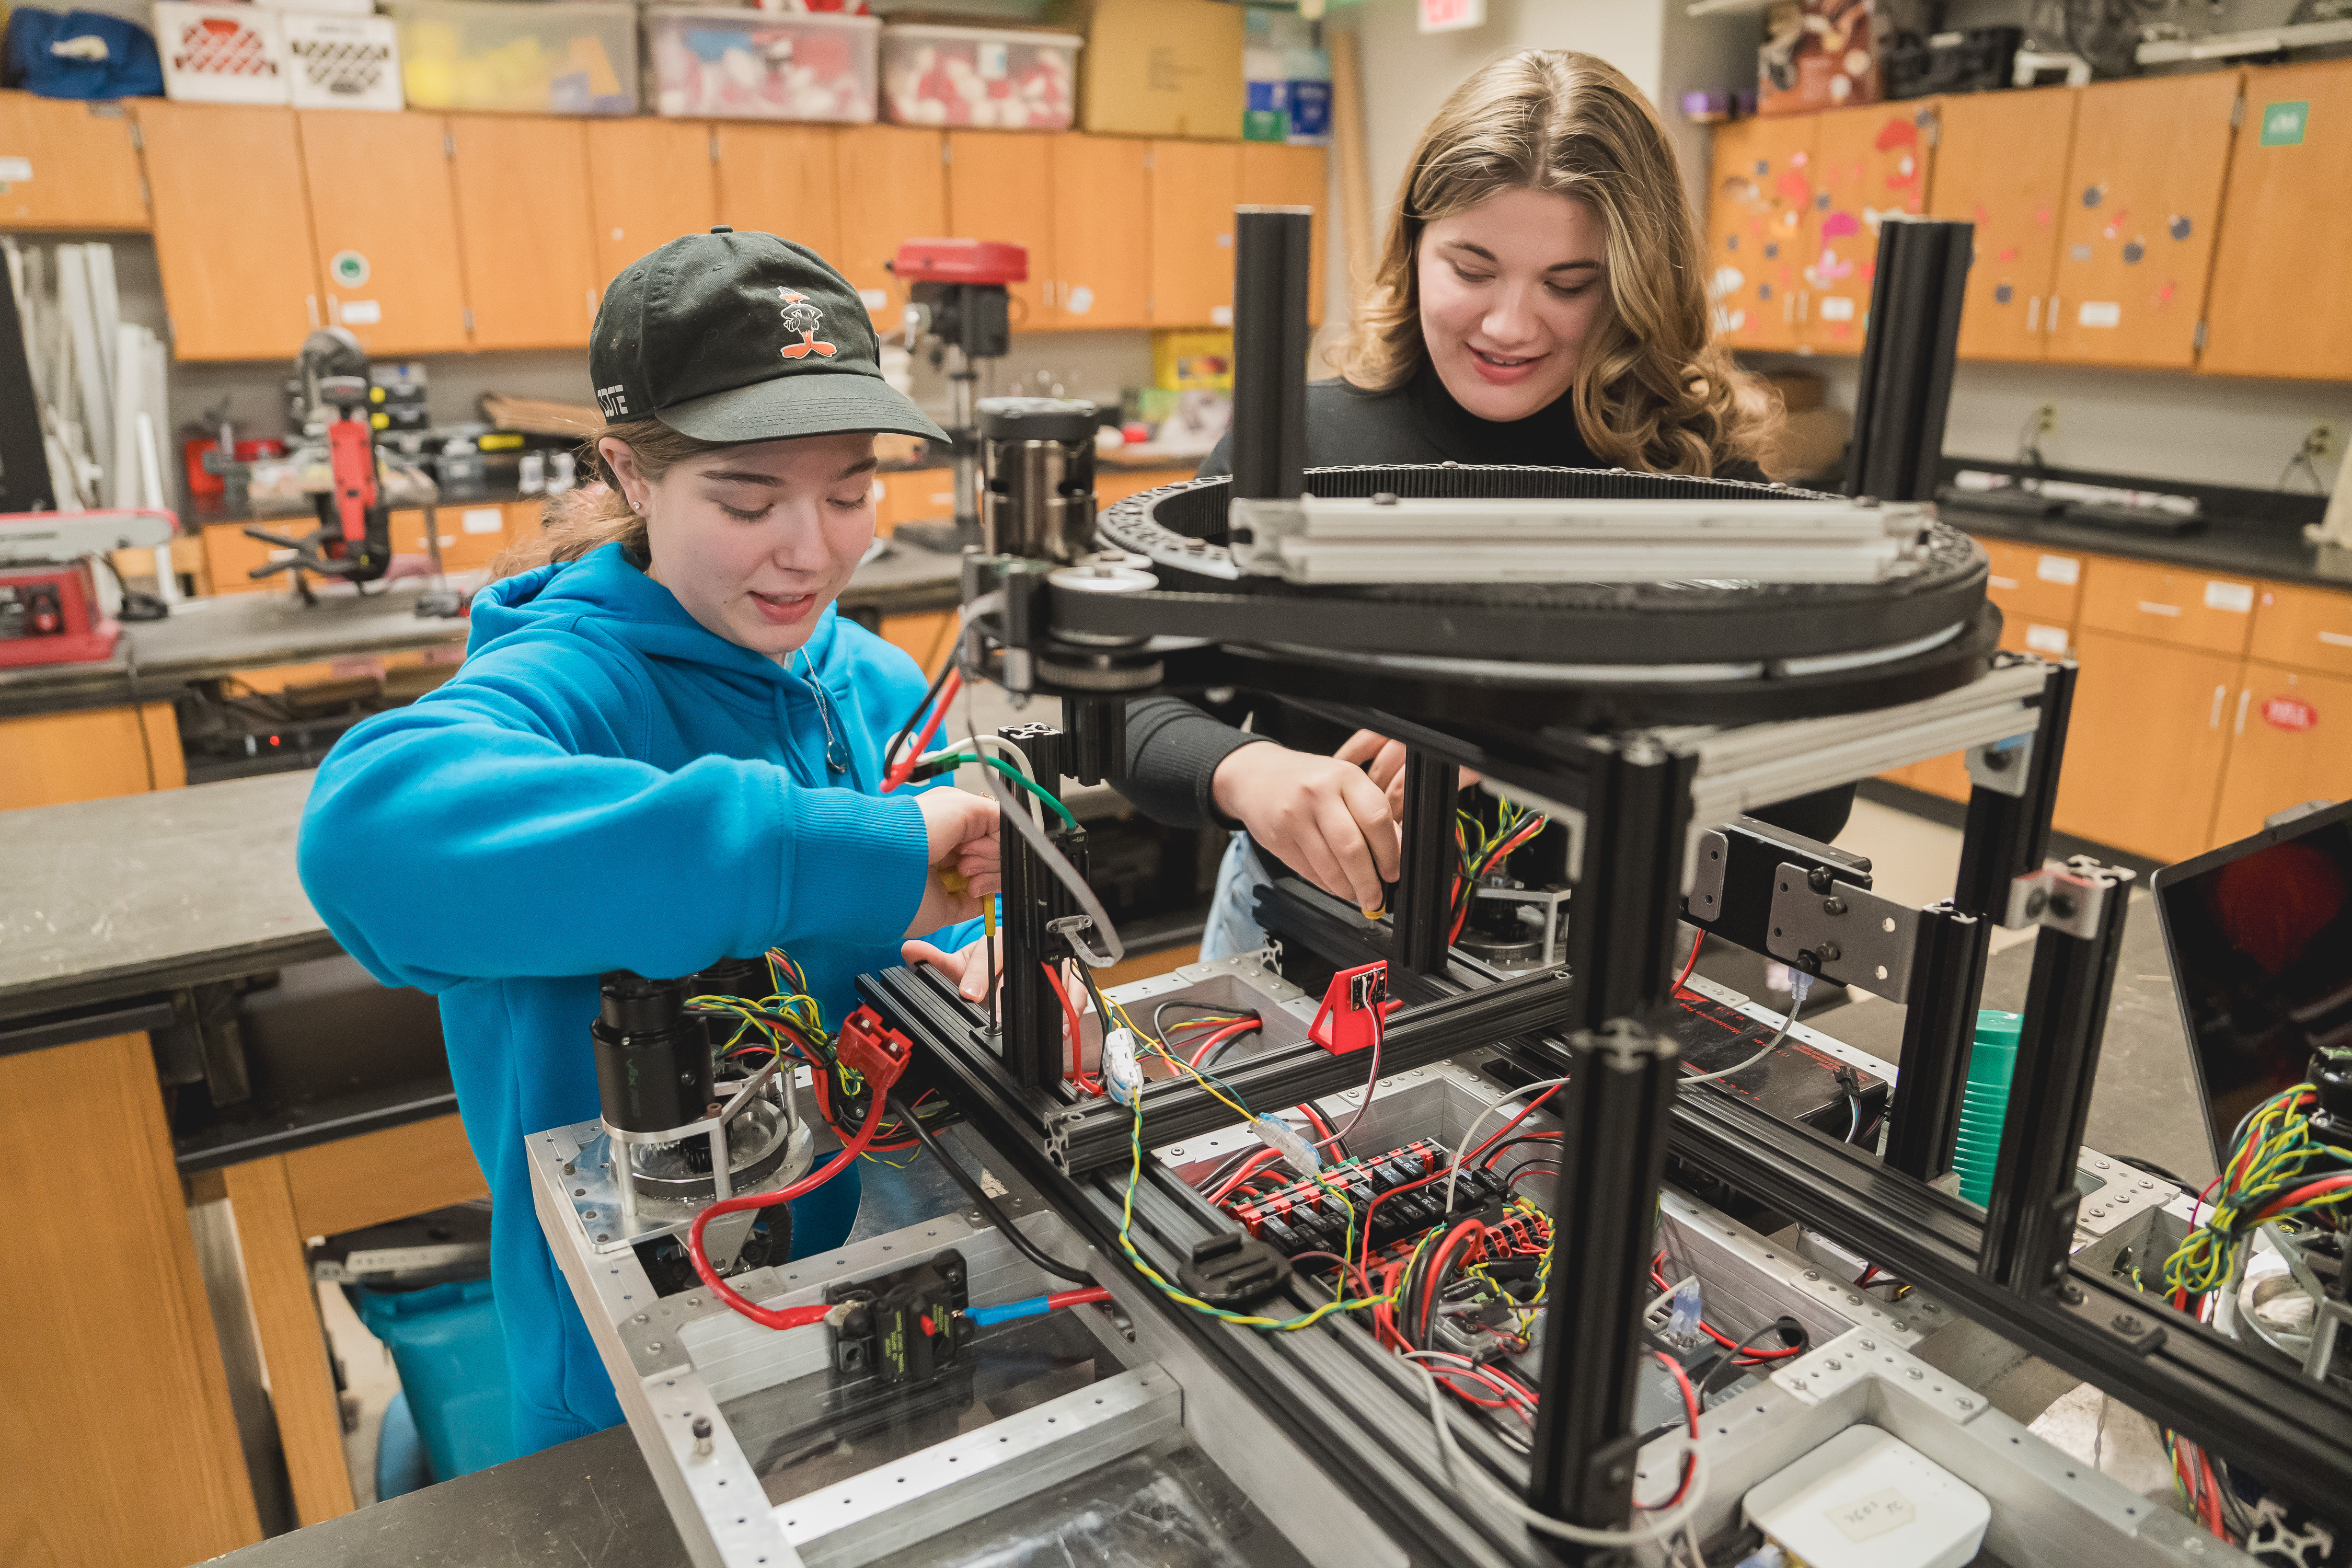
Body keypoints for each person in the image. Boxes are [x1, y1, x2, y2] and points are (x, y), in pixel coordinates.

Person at [296, 229, 1003, 1455]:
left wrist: (981, 947)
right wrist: (815, 857)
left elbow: (959, 861)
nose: (813, 549)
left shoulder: (867, 674)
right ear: (629, 473)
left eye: (847, 493)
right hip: (639, 1360)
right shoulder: (575, 683)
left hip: (865, 1275)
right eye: (746, 499)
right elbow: (367, 836)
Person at [1113, 49, 1831, 958]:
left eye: (1570, 285)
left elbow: (1814, 795)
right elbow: (1130, 704)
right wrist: (1243, 770)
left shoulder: (1700, 478)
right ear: (1413, 247)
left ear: (1638, 284)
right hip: (1298, 940)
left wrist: (1524, 738)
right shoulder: (1299, 444)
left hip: (1588, 966)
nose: (1509, 326)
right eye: (1473, 267)